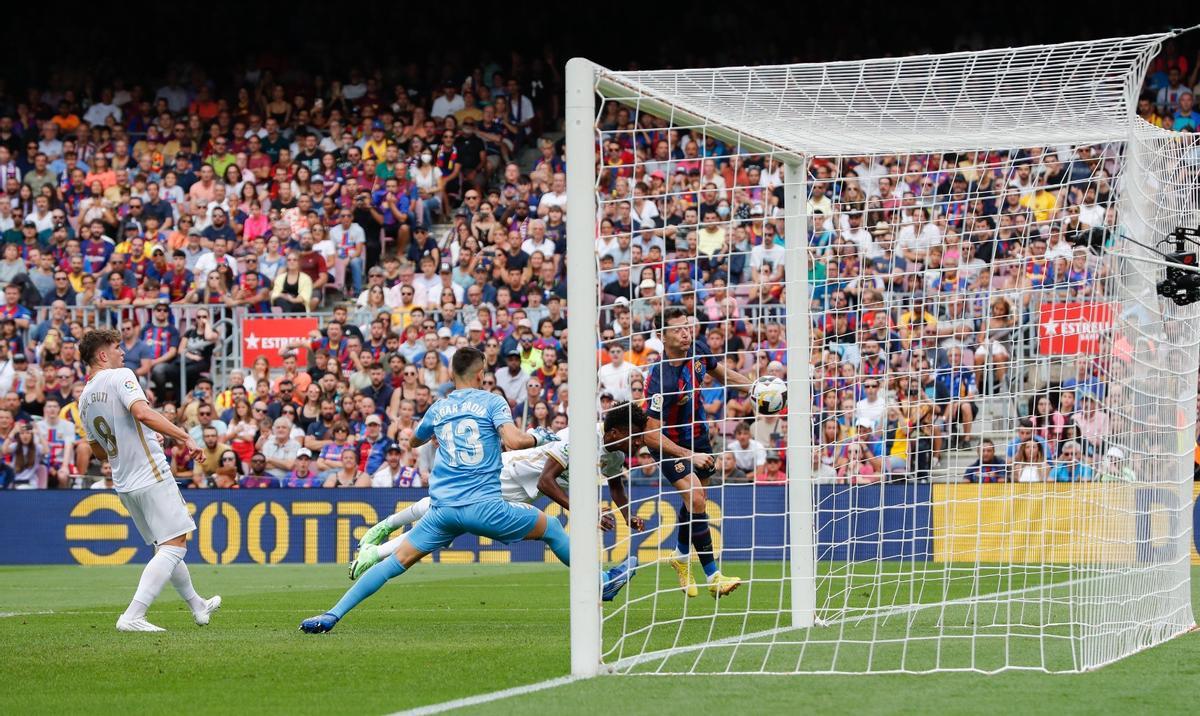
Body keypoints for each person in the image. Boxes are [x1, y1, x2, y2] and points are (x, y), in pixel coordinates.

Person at [299, 348, 634, 634]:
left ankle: (331, 615)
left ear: (451, 374)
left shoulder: (438, 408)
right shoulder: (492, 401)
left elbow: (413, 440)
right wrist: (540, 436)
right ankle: (601, 582)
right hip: (485, 507)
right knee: (552, 528)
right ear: (480, 374)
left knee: (394, 564)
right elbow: (515, 441)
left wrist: (436, 433)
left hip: (443, 511)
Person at [351, 402, 649, 578]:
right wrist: (586, 513)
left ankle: (377, 546)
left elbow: (616, 487)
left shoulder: (615, 453)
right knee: (440, 512)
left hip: (520, 491)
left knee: (441, 518)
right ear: (614, 432)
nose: (638, 443)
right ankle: (378, 540)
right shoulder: (581, 438)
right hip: (506, 473)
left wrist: (628, 516)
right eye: (635, 436)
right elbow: (546, 481)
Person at [77, 328, 219, 632]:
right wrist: (184, 437)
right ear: (102, 355)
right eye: (117, 347)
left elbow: (98, 451)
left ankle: (197, 604)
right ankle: (133, 615)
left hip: (124, 481)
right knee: (175, 545)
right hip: (149, 472)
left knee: (165, 543)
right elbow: (142, 412)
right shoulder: (120, 376)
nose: (122, 352)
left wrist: (141, 436)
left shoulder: (84, 398)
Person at [643, 307, 751, 599]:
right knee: (696, 498)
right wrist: (688, 456)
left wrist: (754, 388)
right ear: (661, 336)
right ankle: (713, 576)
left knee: (694, 503)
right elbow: (650, 435)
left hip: (699, 438)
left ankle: (680, 555)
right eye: (677, 329)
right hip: (668, 444)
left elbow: (723, 374)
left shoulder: (699, 350)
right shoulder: (660, 379)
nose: (685, 333)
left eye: (687, 326)